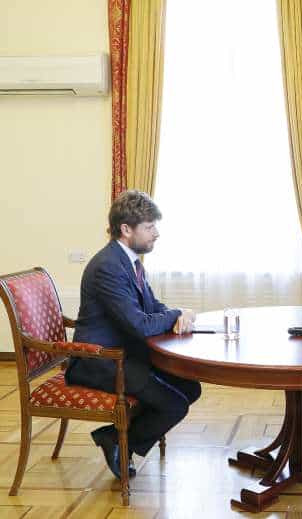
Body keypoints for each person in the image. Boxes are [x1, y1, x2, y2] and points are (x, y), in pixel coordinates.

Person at [65, 190, 201, 479]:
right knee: (175, 405)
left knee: (191, 388)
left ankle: (115, 436)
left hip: (125, 353)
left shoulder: (129, 261)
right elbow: (140, 325)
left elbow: (151, 307)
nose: (156, 233)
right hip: (99, 361)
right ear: (126, 229)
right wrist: (177, 314)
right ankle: (117, 440)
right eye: (150, 227)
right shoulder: (108, 267)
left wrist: (176, 313)